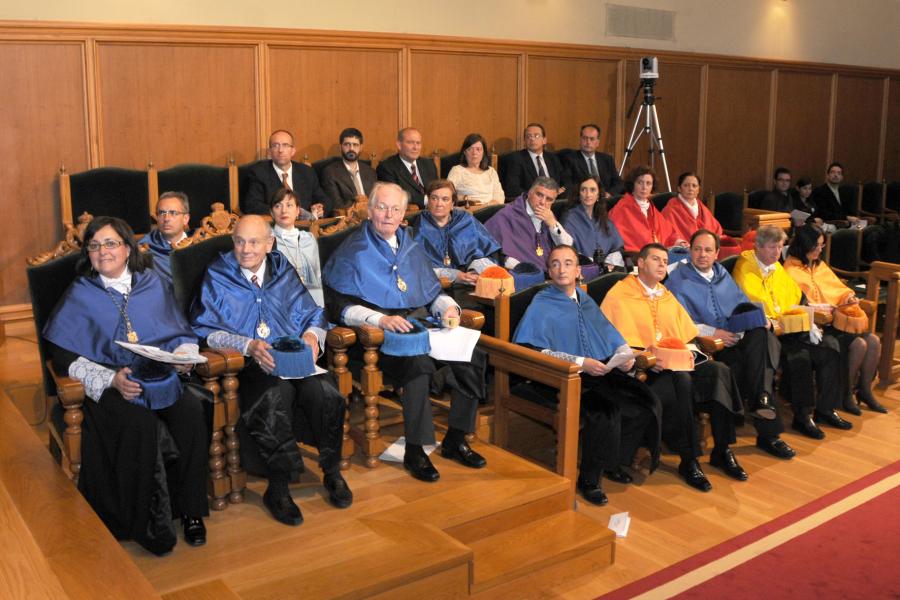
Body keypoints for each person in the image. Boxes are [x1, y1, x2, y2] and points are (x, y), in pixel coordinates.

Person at [44, 216, 209, 555]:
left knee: (193, 409)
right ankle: (149, 523)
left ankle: (191, 510)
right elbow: (61, 353)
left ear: (127, 248)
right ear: (87, 253)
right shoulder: (81, 292)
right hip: (113, 384)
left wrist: (183, 354)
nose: (102, 252)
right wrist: (110, 380)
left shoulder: (151, 283)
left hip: (159, 375)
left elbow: (177, 329)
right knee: (139, 422)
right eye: (94, 246)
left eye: (110, 243)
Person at [190, 215, 352, 527]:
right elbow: (204, 328)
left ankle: (332, 471)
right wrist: (248, 345)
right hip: (249, 365)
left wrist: (311, 336)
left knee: (326, 392)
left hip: (293, 359)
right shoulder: (218, 272)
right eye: (239, 241)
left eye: (253, 242)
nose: (245, 249)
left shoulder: (281, 269)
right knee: (274, 396)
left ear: (269, 244)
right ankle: (277, 487)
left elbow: (311, 312)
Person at [322, 182, 487, 482]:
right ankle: (415, 449)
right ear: (370, 211)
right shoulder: (353, 250)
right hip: (375, 340)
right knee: (418, 366)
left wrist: (448, 308)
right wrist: (379, 320)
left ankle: (455, 438)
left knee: (473, 355)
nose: (388, 214)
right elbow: (340, 307)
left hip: (421, 327)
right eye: (382, 207)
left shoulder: (410, 245)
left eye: (395, 209)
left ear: (403, 215)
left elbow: (430, 290)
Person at [513, 245, 661, 505]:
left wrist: (625, 356)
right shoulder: (542, 302)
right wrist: (581, 362)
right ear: (549, 270)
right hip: (558, 376)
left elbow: (609, 333)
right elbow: (534, 349)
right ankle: (590, 480)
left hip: (598, 370)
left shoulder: (584, 299)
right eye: (556, 264)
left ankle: (612, 461)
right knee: (605, 411)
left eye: (568, 263)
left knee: (644, 402)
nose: (562, 269)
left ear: (578, 271)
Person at [601, 243, 746, 490]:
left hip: (677, 361)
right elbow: (613, 341)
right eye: (655, 259)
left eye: (664, 260)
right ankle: (689, 460)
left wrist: (684, 351)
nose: (661, 265)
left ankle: (722, 449)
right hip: (645, 371)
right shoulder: (619, 294)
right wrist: (644, 356)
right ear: (641, 263)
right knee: (682, 381)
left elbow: (687, 334)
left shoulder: (665, 294)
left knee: (719, 371)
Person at [666, 229, 796, 460]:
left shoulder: (721, 274)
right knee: (758, 365)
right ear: (690, 251)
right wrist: (714, 332)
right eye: (697, 249)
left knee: (762, 335)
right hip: (709, 347)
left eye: (708, 250)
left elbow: (741, 305)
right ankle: (766, 423)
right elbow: (679, 322)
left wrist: (756, 319)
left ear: (717, 253)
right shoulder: (678, 279)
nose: (702, 255)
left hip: (736, 338)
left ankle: (763, 407)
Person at [732, 225, 847, 439]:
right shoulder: (745, 267)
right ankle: (802, 417)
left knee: (831, 349)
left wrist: (806, 316)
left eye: (779, 247)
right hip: (769, 333)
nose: (777, 253)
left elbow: (797, 297)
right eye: (771, 247)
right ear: (757, 246)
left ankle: (826, 409)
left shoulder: (776, 267)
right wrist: (787, 316)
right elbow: (755, 303)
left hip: (791, 327)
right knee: (800, 357)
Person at [783, 224, 886, 414]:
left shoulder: (819, 265)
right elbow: (795, 304)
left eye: (821, 245)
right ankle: (844, 395)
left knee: (873, 341)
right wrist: (823, 308)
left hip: (836, 319)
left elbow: (836, 288)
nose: (819, 249)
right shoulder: (790, 269)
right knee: (859, 345)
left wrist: (847, 297)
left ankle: (864, 391)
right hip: (817, 324)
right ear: (805, 244)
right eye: (816, 245)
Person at [412, 179, 500, 296]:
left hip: (473, 282)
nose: (439, 204)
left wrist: (475, 272)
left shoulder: (465, 220)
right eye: (434, 198)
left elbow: (488, 250)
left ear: (453, 204)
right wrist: (455, 275)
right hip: (436, 288)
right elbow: (417, 268)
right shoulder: (420, 226)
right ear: (428, 201)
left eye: (445, 199)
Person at [484, 176, 572, 273]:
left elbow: (567, 247)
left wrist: (553, 225)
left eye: (549, 199)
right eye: (539, 195)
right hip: (522, 276)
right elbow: (487, 246)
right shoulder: (508, 215)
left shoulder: (549, 216)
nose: (542, 202)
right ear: (530, 192)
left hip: (551, 274)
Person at [242, 129, 330, 218]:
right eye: (275, 145)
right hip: (275, 227)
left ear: (293, 151)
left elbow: (325, 200)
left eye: (285, 145)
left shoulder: (307, 172)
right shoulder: (258, 173)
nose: (280, 150)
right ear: (269, 152)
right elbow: (252, 205)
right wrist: (285, 212)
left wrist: (321, 208)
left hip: (306, 226)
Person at [608, 165, 685, 253]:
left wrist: (679, 242)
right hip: (635, 258)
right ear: (633, 184)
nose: (644, 187)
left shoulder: (651, 208)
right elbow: (615, 239)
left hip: (657, 255)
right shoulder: (621, 208)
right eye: (640, 182)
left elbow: (669, 233)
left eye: (648, 183)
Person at [662, 172, 740, 257]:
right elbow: (668, 233)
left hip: (706, 244)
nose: (690, 189)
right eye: (686, 185)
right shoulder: (671, 209)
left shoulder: (701, 206)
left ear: (698, 189)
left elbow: (716, 229)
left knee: (734, 249)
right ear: (679, 188)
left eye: (694, 186)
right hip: (686, 249)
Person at [270, 188, 324, 306]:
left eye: (289, 205)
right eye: (278, 206)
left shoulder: (308, 239)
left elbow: (317, 277)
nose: (284, 211)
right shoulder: (268, 242)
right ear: (272, 213)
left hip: (314, 302)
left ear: (298, 211)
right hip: (283, 304)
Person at [560, 175, 625, 271]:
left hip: (607, 271)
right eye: (583, 190)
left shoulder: (603, 217)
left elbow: (616, 246)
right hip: (582, 271)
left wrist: (610, 263)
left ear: (598, 194)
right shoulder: (569, 218)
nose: (588, 194)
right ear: (579, 194)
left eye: (592, 190)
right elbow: (567, 251)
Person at [376, 127, 437, 209]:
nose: (415, 147)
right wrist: (428, 200)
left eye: (418, 143)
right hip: (409, 215)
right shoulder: (387, 167)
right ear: (399, 145)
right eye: (410, 143)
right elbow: (396, 195)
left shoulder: (428, 164)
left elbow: (437, 188)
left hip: (434, 211)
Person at [140, 191, 191, 285]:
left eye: (173, 213)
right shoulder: (144, 248)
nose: (166, 218)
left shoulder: (200, 243)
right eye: (161, 212)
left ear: (185, 219)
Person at [320, 127, 376, 211]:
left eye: (355, 145)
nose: (351, 149)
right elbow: (336, 205)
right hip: (349, 219)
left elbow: (377, 199)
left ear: (361, 147)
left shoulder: (370, 171)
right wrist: (362, 207)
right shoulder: (330, 172)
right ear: (340, 147)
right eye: (347, 144)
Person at [503, 123, 565, 199]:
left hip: (555, 201)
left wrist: (559, 192)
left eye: (536, 136)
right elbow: (512, 188)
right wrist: (537, 196)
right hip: (531, 203)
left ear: (544, 140)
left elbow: (565, 181)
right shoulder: (516, 159)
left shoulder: (553, 158)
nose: (532, 139)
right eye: (528, 136)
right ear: (525, 141)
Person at [562, 123, 623, 197]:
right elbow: (568, 186)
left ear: (597, 142)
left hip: (606, 200)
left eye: (592, 139)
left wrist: (609, 194)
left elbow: (618, 183)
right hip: (584, 200)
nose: (588, 142)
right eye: (585, 138)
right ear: (580, 140)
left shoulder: (607, 159)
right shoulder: (570, 159)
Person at [446, 133, 504, 205]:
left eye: (478, 149)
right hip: (469, 210)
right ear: (465, 152)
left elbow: (499, 195)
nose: (474, 153)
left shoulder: (491, 171)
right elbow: (447, 194)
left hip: (491, 209)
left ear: (483, 152)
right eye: (470, 149)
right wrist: (465, 198)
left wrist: (491, 205)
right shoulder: (457, 170)